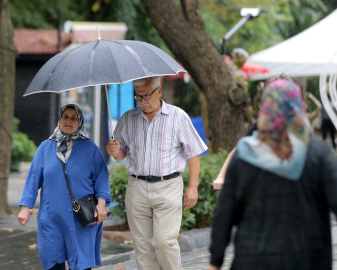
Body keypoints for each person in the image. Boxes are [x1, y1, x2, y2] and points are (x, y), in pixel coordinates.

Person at [207, 79, 337, 270]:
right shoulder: (319, 153)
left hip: (252, 261)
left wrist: (215, 262)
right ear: (299, 108)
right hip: (308, 260)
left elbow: (224, 215)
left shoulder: (243, 156)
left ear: (264, 109)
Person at [106, 76, 208, 270]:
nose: (143, 101)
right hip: (136, 186)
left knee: (164, 242)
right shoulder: (128, 118)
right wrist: (114, 151)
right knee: (142, 245)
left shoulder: (178, 116)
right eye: (138, 97)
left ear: (159, 92)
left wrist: (192, 188)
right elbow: (121, 154)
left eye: (146, 96)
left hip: (168, 186)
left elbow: (193, 153)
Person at [18, 104, 111, 270]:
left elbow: (102, 179)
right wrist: (25, 208)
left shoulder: (90, 148)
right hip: (51, 218)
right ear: (60, 119)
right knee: (53, 261)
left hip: (83, 218)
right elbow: (33, 179)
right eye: (65, 117)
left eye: (73, 117)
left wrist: (101, 205)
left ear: (80, 122)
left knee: (81, 265)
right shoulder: (45, 147)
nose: (69, 120)